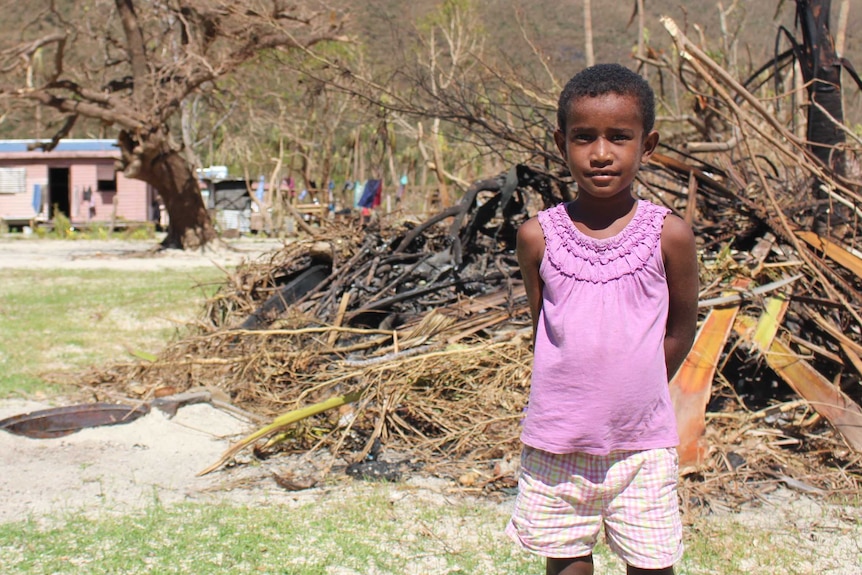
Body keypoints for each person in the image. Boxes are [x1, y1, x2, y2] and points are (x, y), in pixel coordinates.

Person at [506, 63, 699, 575]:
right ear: (560, 142)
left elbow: (681, 328)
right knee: (566, 559)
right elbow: (544, 329)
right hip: (558, 440)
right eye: (583, 137)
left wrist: (638, 387)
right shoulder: (537, 237)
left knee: (652, 562)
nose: (601, 153)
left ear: (648, 144)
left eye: (620, 137)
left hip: (641, 444)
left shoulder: (669, 235)